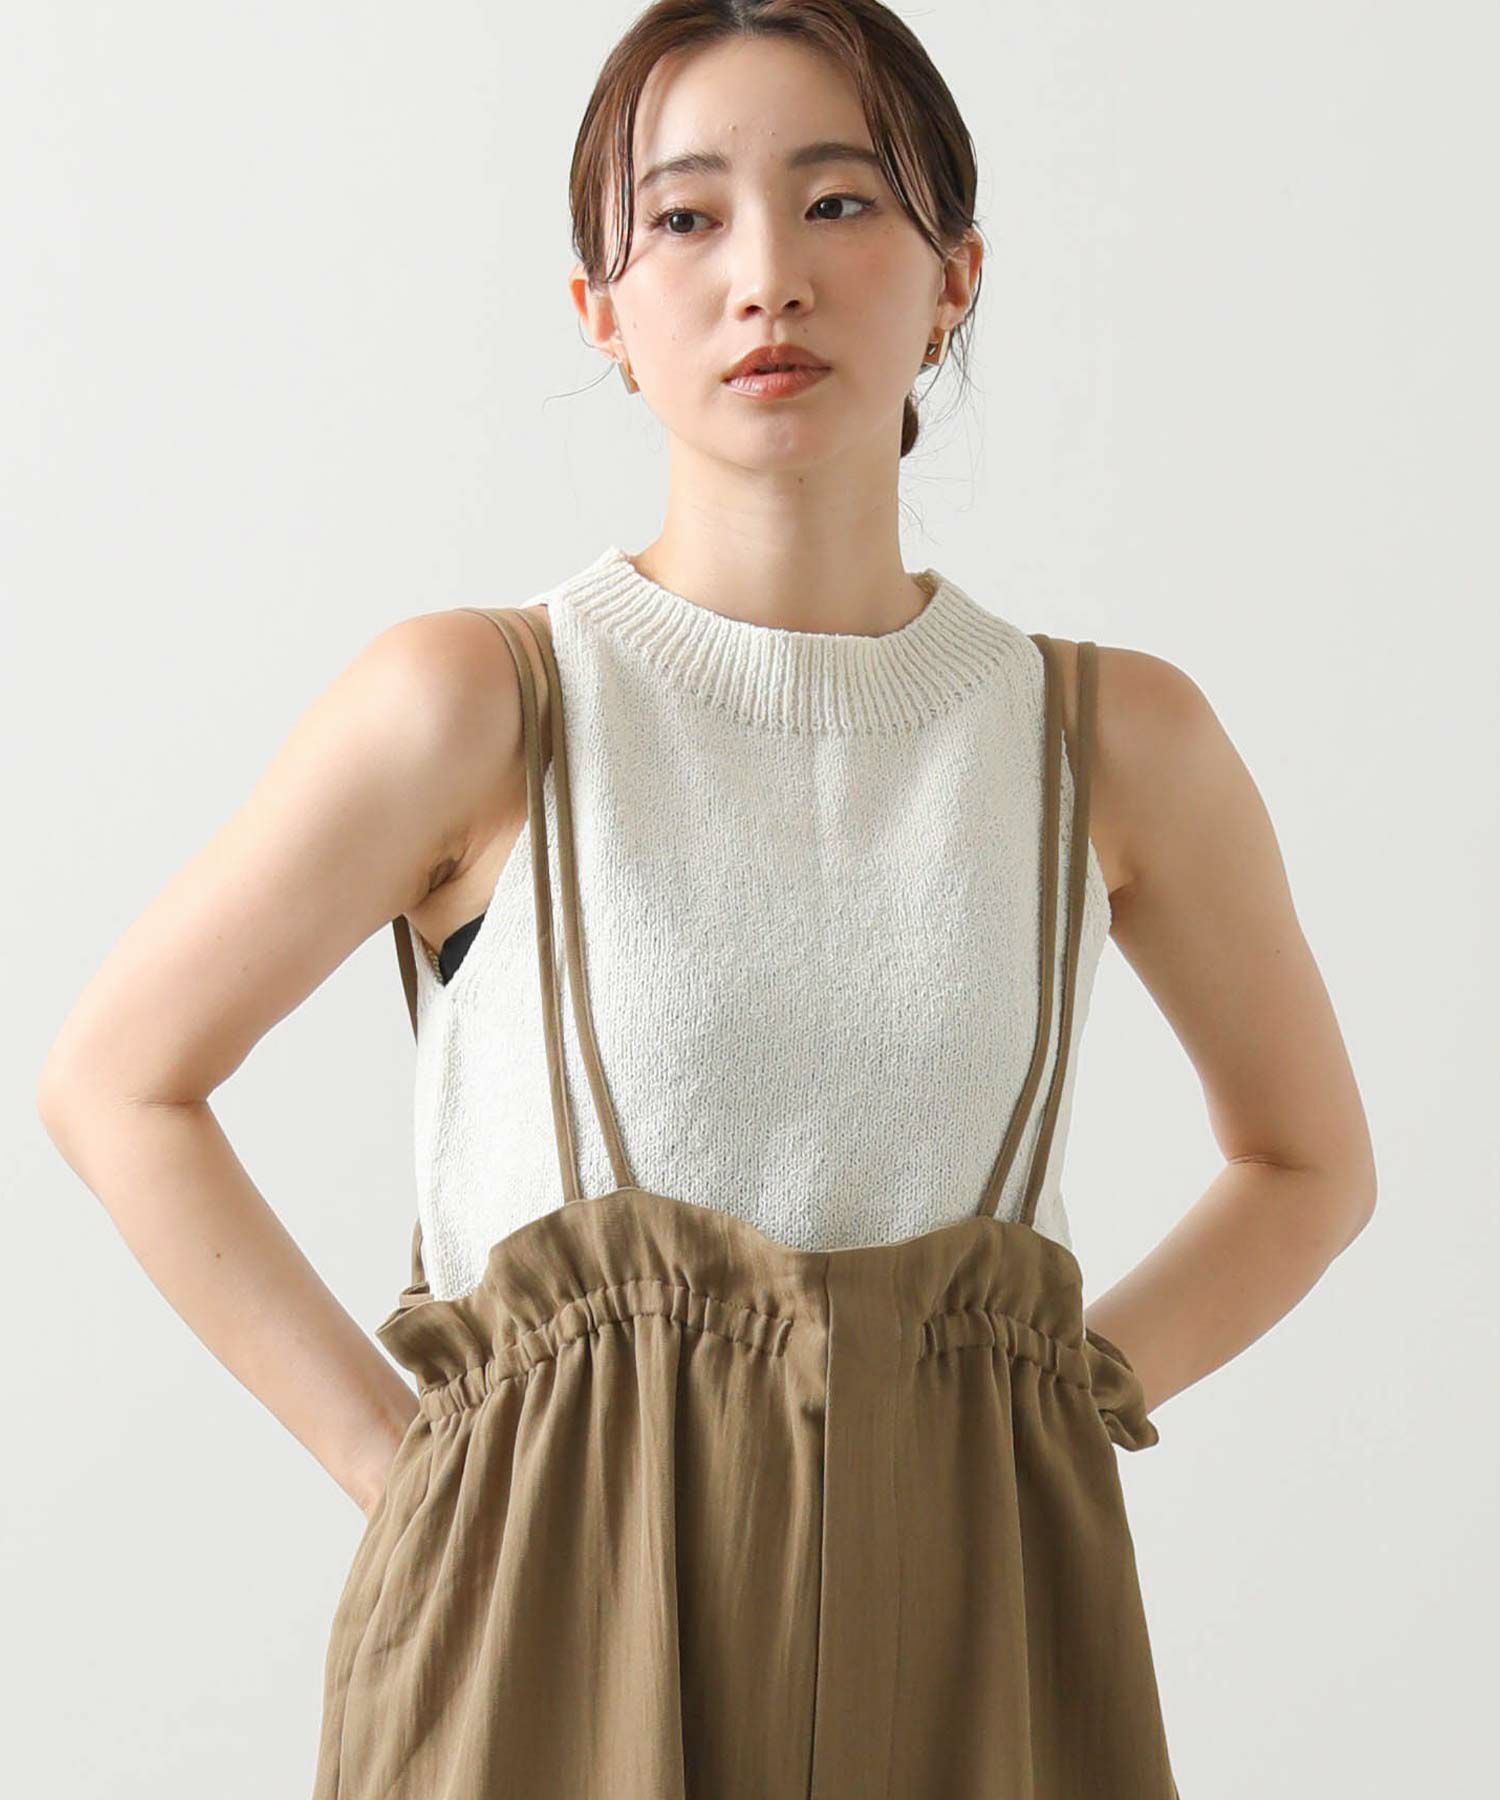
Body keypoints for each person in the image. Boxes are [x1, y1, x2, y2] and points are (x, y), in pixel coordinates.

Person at [37, 4, 1376, 1794]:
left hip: (977, 1619)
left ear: (956, 277)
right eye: (684, 218)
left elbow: (1309, 1164)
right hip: (549, 1619)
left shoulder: (1110, 740)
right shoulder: (478, 702)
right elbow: (119, 1080)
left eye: (840, 203)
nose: (767, 278)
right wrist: (403, 1464)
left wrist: (1055, 1393)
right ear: (599, 308)